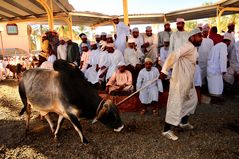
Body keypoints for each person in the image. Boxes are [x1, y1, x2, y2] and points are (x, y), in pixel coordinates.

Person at [159, 28, 203, 141]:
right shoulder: (187, 46)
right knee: (175, 104)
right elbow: (173, 55)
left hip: (188, 81)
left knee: (192, 100)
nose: (200, 38)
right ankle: (166, 130)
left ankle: (184, 122)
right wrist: (164, 71)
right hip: (179, 81)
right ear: (192, 37)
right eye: (199, 36)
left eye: (201, 36)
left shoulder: (192, 48)